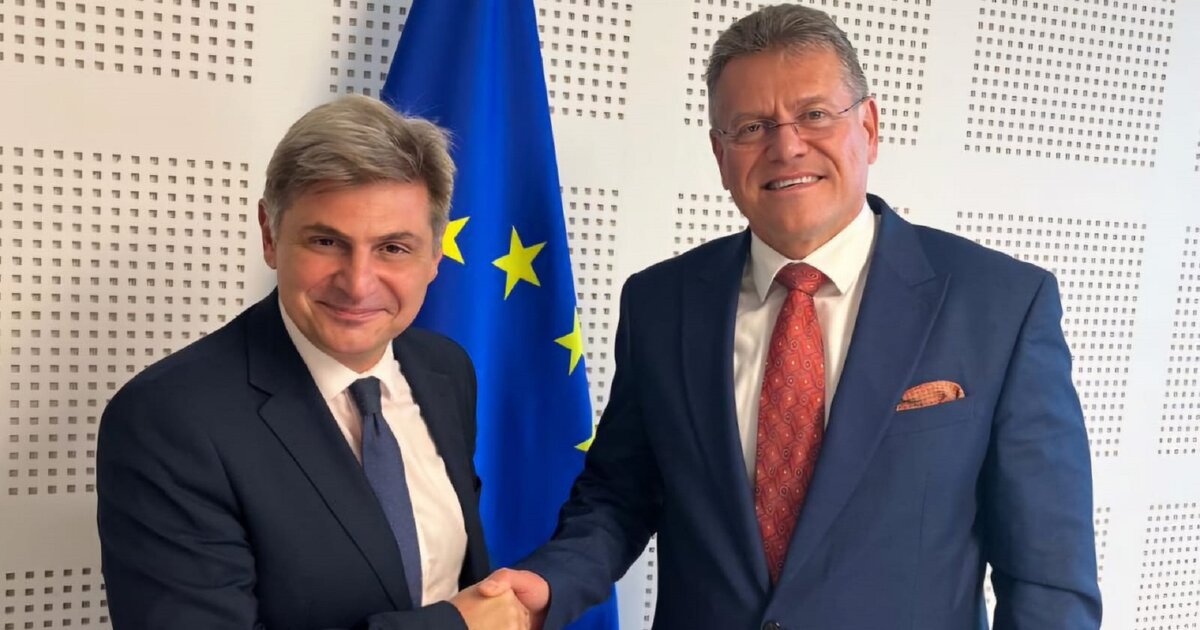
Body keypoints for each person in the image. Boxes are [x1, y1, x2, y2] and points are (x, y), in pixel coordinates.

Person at [481, 4, 1102, 629]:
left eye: (814, 115)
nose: (786, 146)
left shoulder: (1001, 304)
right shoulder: (661, 303)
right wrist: (551, 581)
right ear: (721, 155)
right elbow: (620, 493)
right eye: (751, 127)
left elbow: (1048, 578)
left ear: (869, 127)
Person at [97, 95, 529, 630]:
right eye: (326, 241)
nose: (358, 283)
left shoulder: (446, 370)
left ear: (436, 255)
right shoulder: (167, 419)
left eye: (393, 248)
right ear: (270, 234)